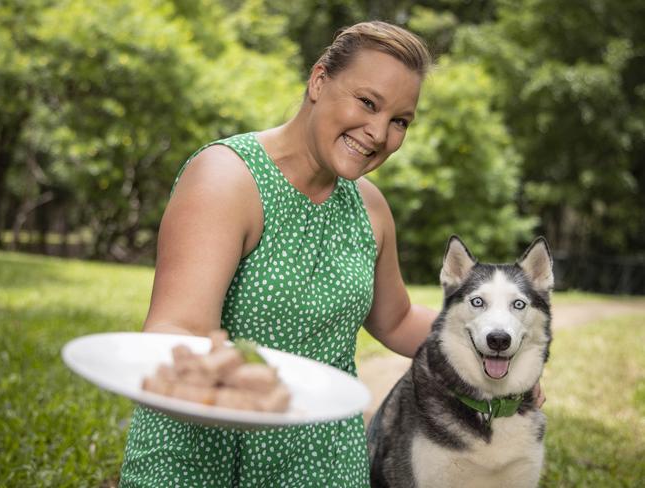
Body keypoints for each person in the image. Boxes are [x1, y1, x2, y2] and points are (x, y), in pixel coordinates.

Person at [119, 20, 542, 487]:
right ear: (319, 80)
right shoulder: (226, 179)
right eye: (368, 103)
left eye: (400, 120)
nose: (380, 133)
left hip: (319, 457)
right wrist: (249, 394)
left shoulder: (370, 207)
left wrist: (497, 355)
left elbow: (396, 319)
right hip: (205, 448)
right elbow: (177, 327)